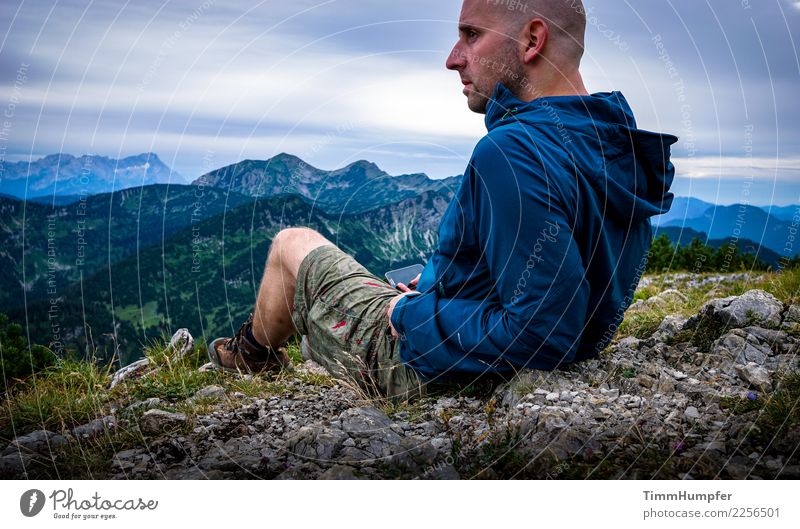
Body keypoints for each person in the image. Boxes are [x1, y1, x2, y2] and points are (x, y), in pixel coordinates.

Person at [208, 0, 677, 401]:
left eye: (472, 35)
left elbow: (544, 331)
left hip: (428, 367)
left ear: (533, 40)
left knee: (292, 242)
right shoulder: (613, 146)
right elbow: (558, 282)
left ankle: (250, 354)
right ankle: (303, 338)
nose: (453, 59)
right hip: (477, 343)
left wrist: (411, 313)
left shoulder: (511, 151)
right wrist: (443, 291)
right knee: (398, 284)